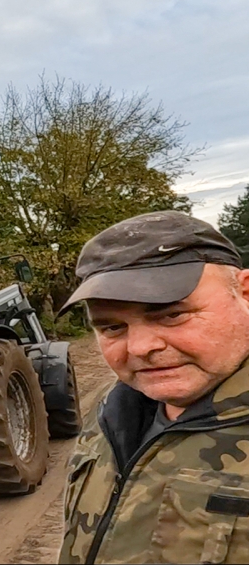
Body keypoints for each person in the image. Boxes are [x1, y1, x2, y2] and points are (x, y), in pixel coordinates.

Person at [58, 210, 249, 564]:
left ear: (245, 293)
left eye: (171, 315)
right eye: (112, 327)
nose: (140, 348)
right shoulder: (109, 411)